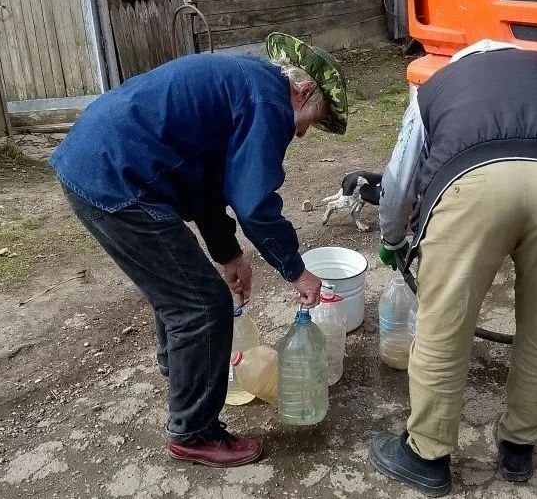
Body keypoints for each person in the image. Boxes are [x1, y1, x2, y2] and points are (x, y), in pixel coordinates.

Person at [49, 33, 348, 467]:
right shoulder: (267, 102)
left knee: (181, 290)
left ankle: (183, 370)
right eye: (311, 121)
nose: (301, 134)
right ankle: (193, 432)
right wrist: (295, 270)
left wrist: (229, 254)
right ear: (302, 92)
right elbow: (253, 203)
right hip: (117, 176)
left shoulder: (245, 84)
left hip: (99, 161)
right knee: (202, 305)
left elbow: (210, 184)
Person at [370, 40, 537, 496]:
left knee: (444, 327)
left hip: (471, 184)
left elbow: (398, 178)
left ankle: (427, 455)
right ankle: (518, 449)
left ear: (467, 61)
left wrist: (392, 238)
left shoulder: (436, 85)